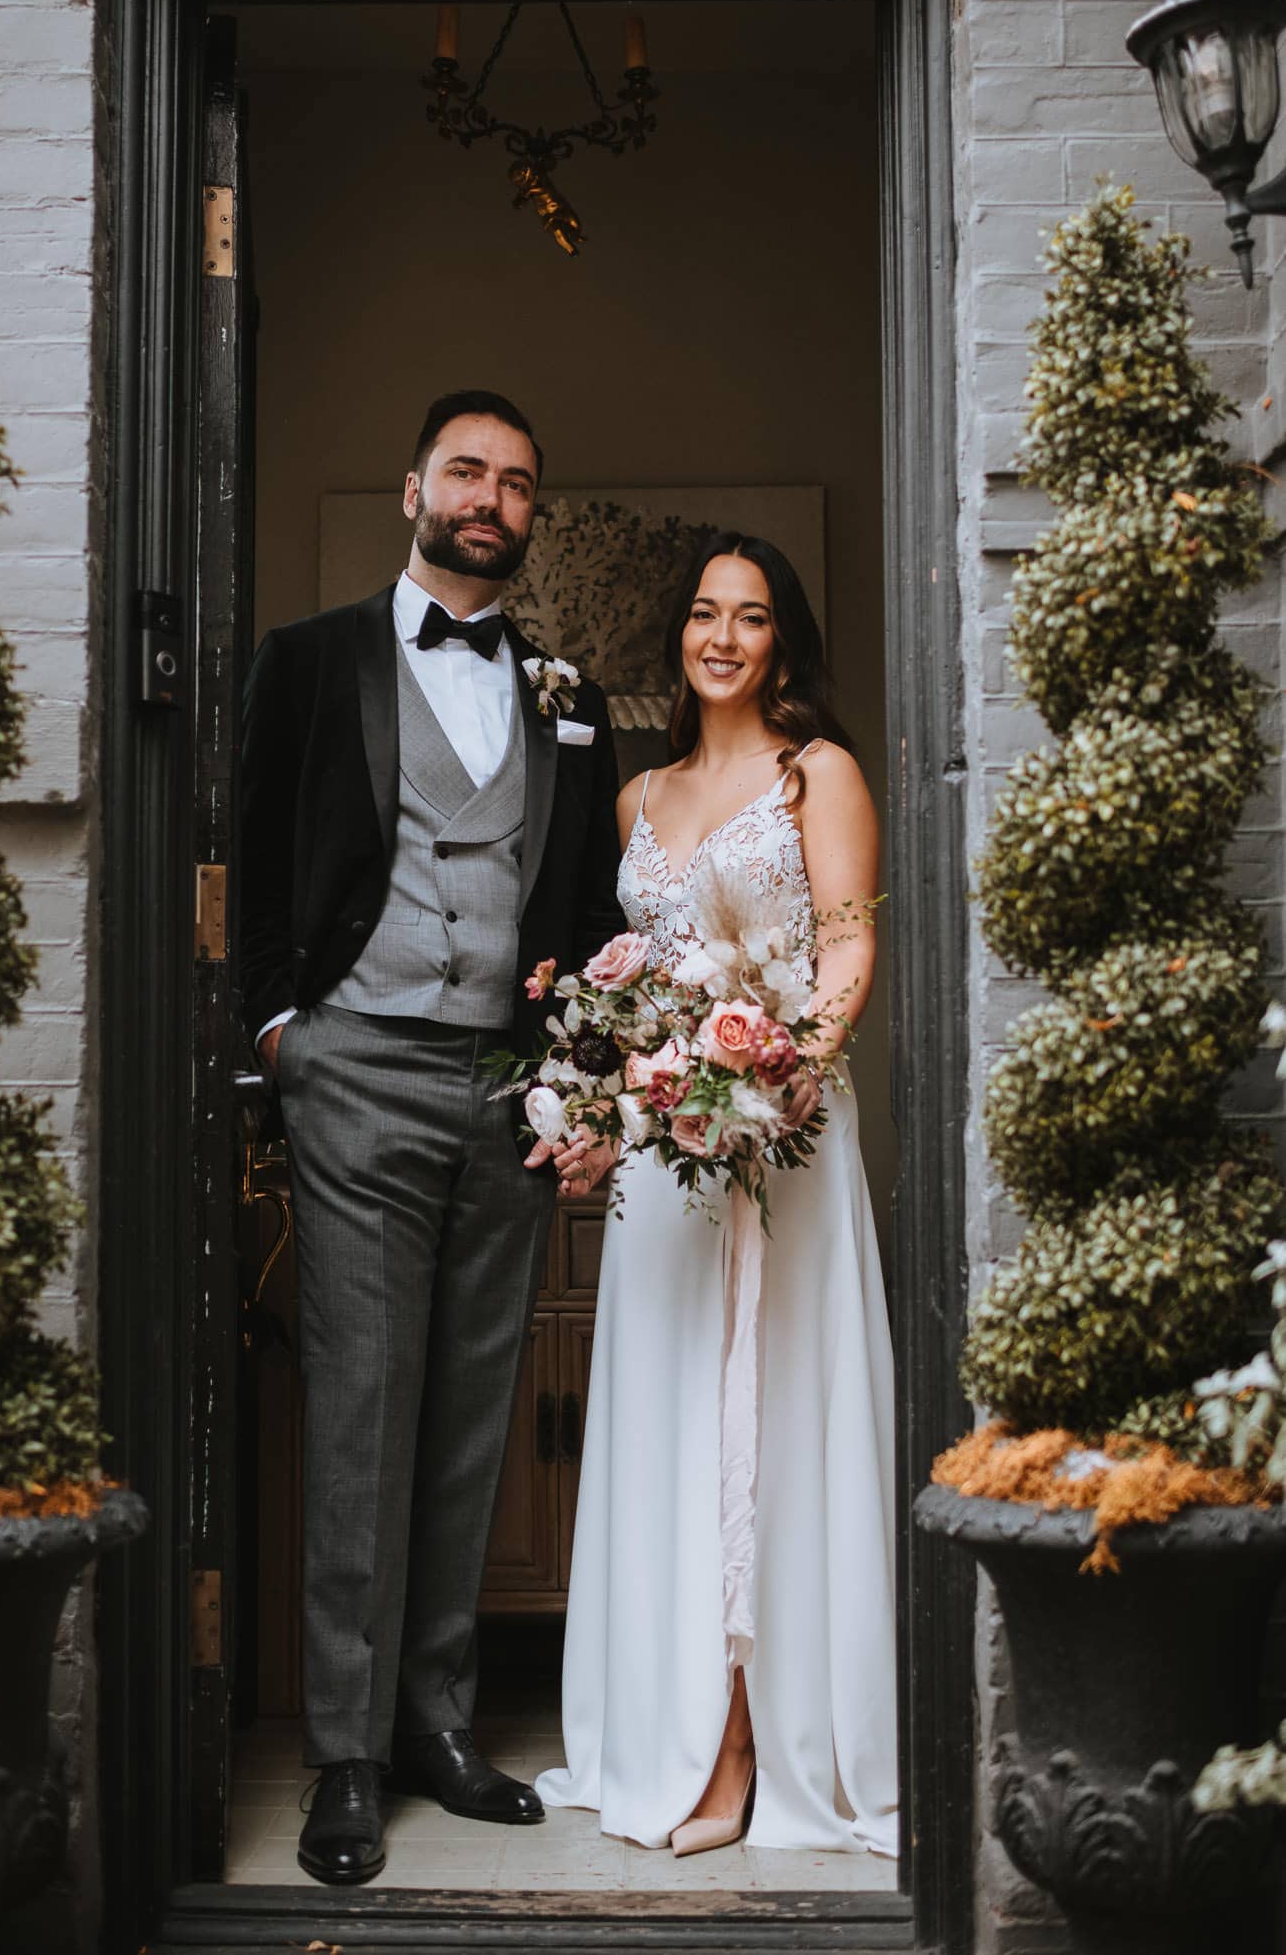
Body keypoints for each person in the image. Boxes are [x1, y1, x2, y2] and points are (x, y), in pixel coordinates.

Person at [239, 389, 625, 1886]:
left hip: (508, 1087)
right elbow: (255, 857)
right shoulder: (309, 659)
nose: (491, 496)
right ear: (414, 485)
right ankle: (344, 1750)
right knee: (361, 1406)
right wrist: (281, 1033)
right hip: (355, 1069)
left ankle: (436, 1721)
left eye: (520, 481)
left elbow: (586, 901)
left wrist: (573, 1073)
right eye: (468, 469)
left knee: (472, 1414)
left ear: (533, 515)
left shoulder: (568, 691)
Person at [535, 531, 899, 1859]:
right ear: (679, 637)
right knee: (672, 1423)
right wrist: (613, 1097)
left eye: (751, 616)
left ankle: (752, 1745)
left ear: (782, 640)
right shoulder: (638, 799)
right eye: (705, 613)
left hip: (780, 1137)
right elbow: (623, 978)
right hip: (661, 1160)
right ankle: (668, 1725)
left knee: (772, 1423)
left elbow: (850, 940)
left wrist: (785, 1067)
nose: (725, 636)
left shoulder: (819, 776)